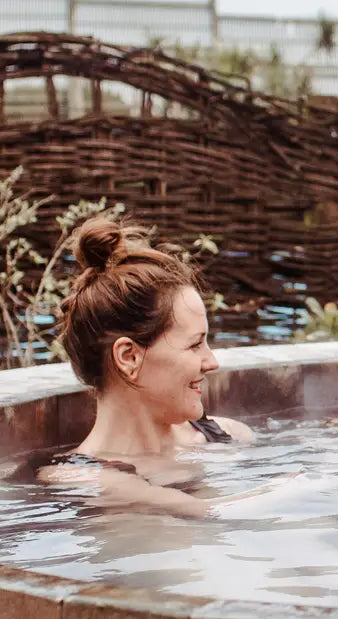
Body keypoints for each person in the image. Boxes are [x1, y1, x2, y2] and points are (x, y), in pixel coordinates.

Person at [39, 217, 253, 516]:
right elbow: (213, 512)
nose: (212, 361)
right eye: (195, 344)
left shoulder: (228, 435)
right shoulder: (79, 477)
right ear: (128, 356)